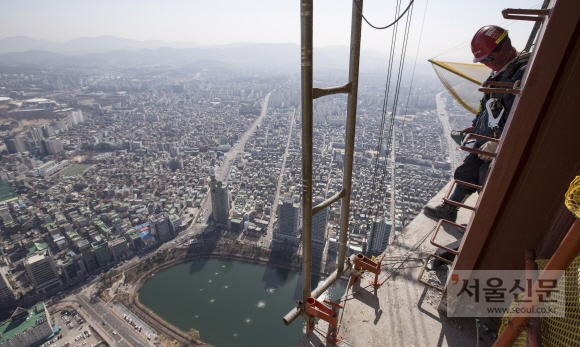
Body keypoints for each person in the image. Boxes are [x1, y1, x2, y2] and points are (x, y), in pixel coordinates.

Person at [424, 25, 530, 222]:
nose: (488, 64)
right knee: (467, 171)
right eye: (484, 61)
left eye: (489, 59)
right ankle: (450, 208)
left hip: (500, 142)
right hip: (488, 136)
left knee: (488, 181)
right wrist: (476, 126)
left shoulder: (522, 73)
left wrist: (501, 144)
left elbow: (525, 116)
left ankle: (485, 221)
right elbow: (489, 105)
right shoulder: (503, 71)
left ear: (504, 47)